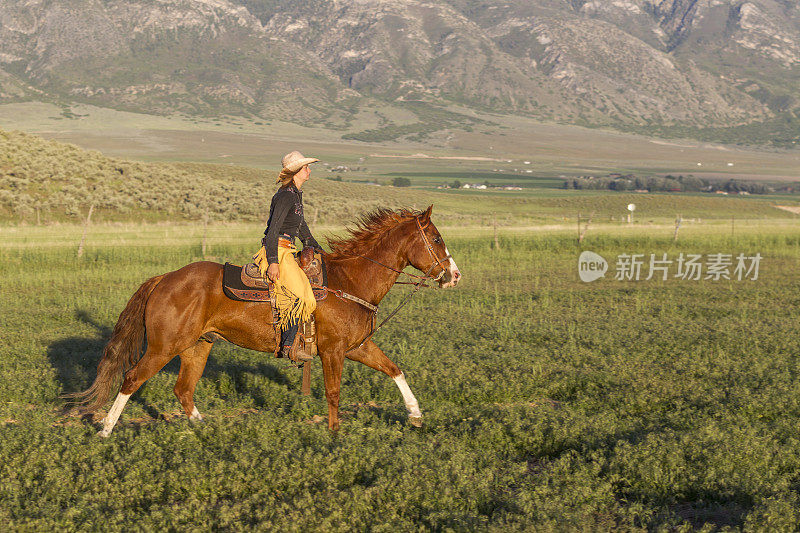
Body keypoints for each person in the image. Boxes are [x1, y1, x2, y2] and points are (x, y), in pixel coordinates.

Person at [252, 150, 322, 359]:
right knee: (300, 294)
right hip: (278, 251)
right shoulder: (285, 195)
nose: (309, 171)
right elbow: (273, 230)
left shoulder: (295, 195)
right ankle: (289, 346)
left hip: (287, 250)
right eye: (306, 167)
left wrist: (321, 251)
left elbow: (303, 231)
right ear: (297, 172)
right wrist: (273, 262)